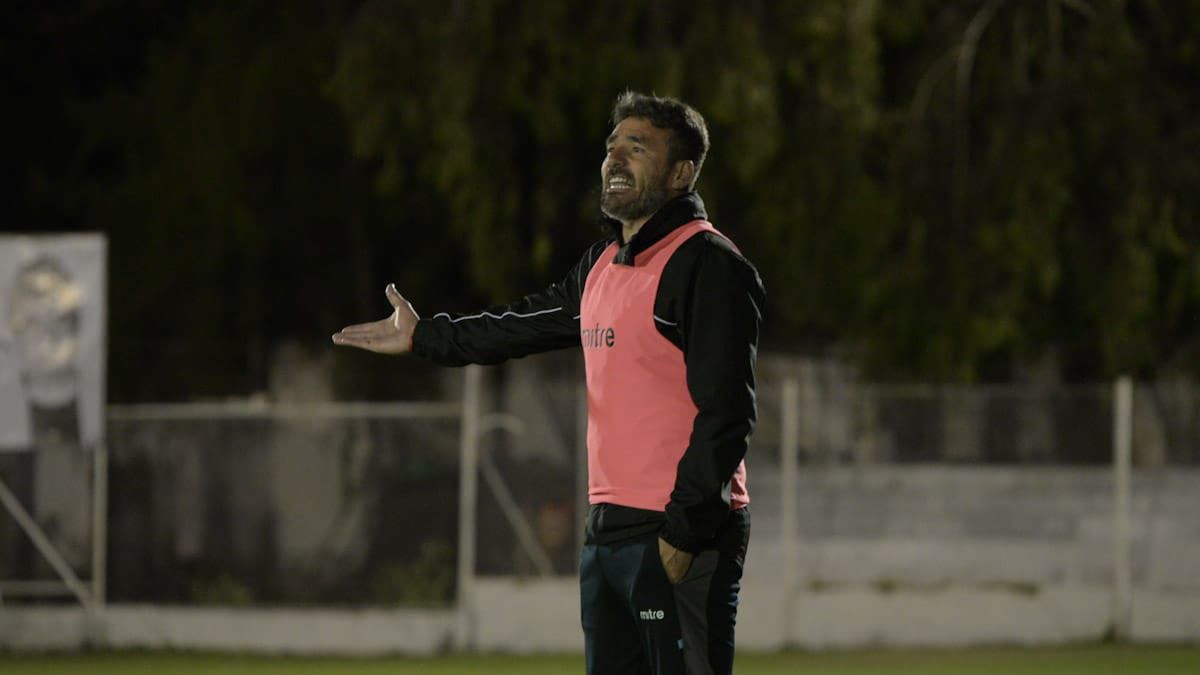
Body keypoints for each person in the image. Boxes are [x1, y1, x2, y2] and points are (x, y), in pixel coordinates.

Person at [333, 91, 764, 675]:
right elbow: (518, 327)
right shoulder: (601, 266)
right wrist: (423, 337)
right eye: (612, 146)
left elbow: (727, 413)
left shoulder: (709, 264)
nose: (616, 158)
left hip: (678, 535)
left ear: (681, 172)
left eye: (637, 148)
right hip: (608, 532)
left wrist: (684, 534)